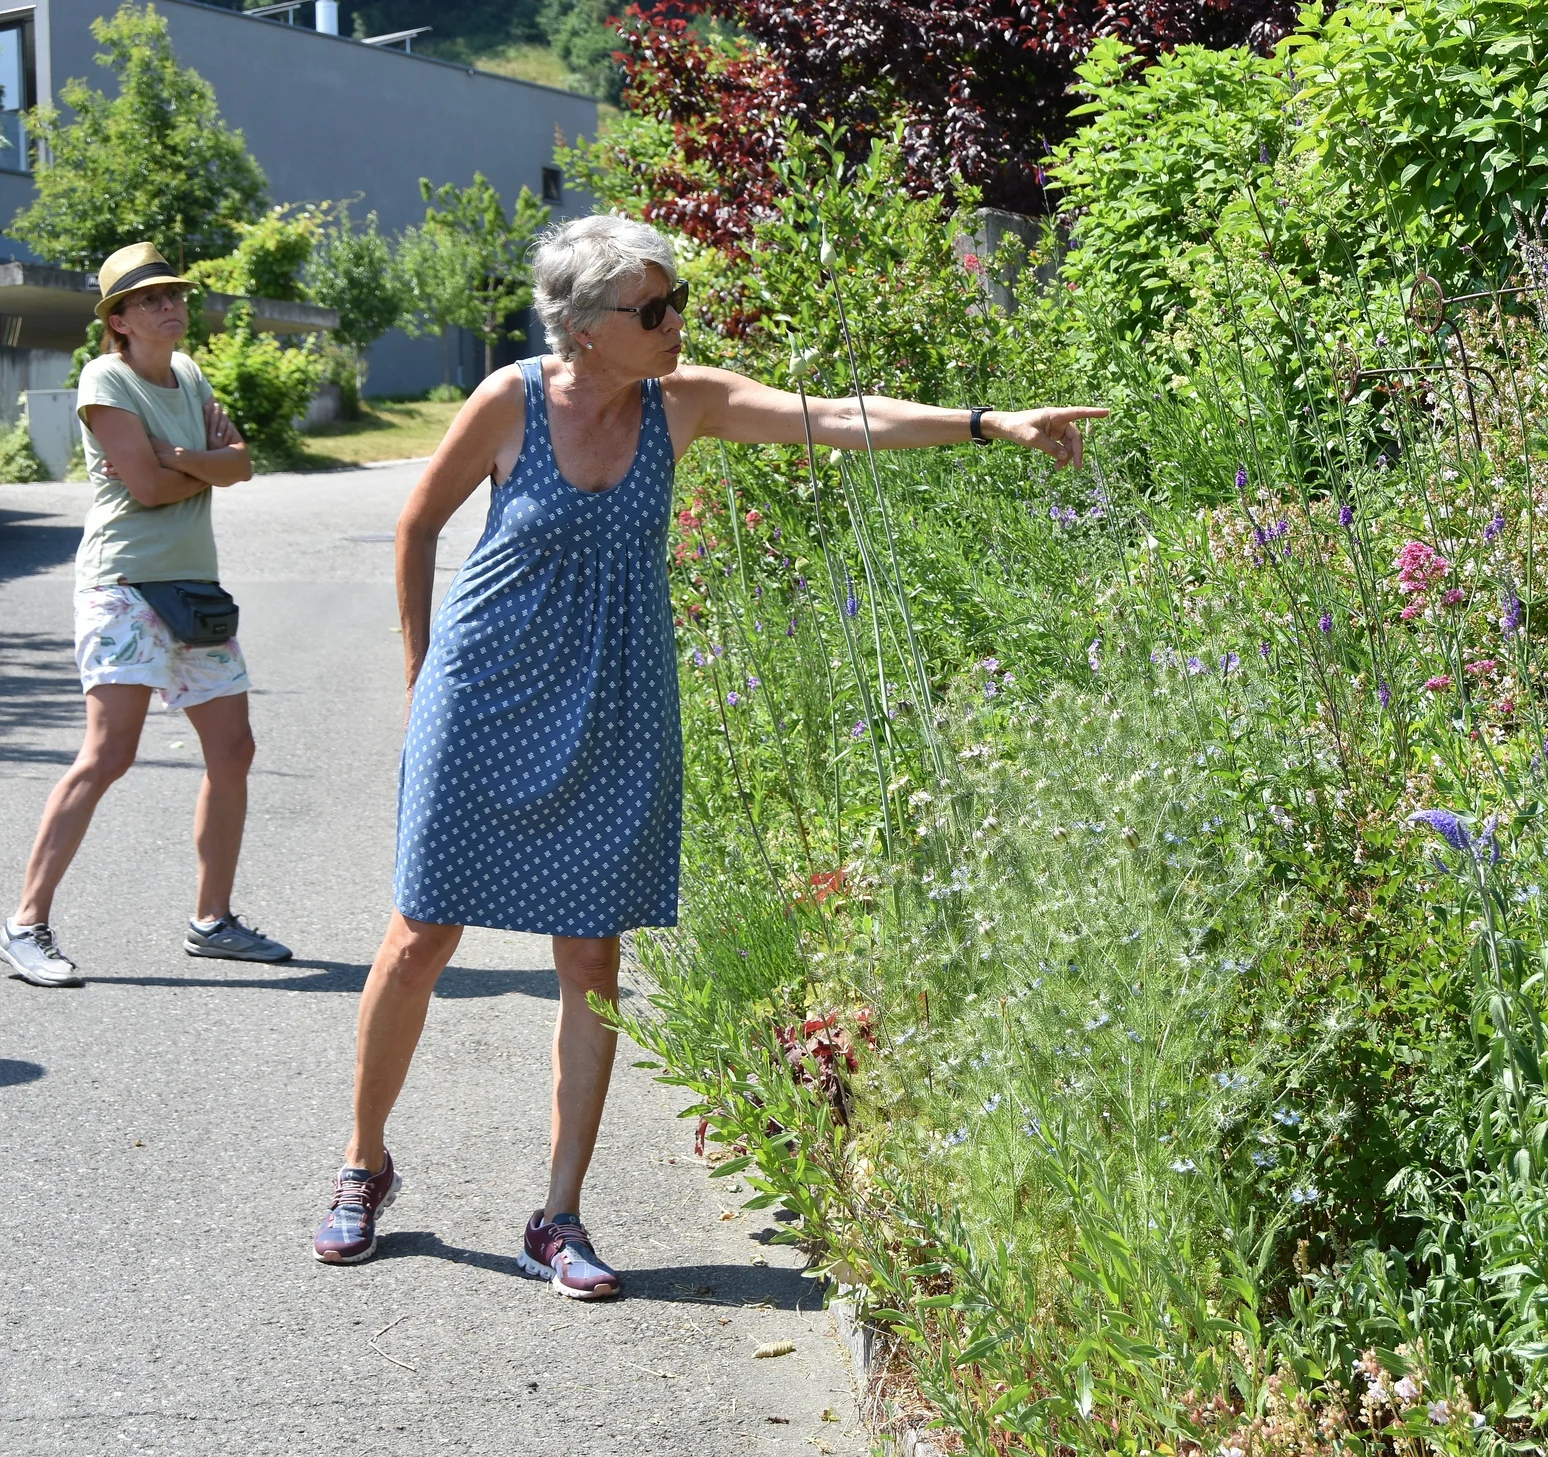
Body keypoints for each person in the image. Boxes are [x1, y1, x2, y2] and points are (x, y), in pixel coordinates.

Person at [312, 214, 1104, 1297]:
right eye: (654, 309)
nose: (677, 320)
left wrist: (989, 422)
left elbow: (837, 416)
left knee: (590, 958)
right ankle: (364, 1163)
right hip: (483, 691)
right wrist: (418, 682)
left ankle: (558, 1215)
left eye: (676, 299)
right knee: (419, 934)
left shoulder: (684, 404)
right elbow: (415, 529)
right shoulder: (509, 402)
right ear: (586, 327)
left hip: (615, 700)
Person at [4, 244, 291, 990]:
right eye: (151, 299)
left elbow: (243, 463)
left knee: (234, 748)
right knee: (109, 753)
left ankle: (213, 920)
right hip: (124, 587)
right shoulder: (105, 377)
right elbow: (148, 487)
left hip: (193, 590)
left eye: (174, 294)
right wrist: (199, 459)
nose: (170, 305)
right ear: (120, 320)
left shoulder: (189, 374)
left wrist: (182, 455)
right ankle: (25, 923)